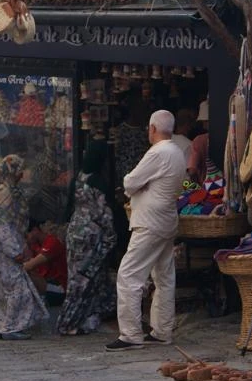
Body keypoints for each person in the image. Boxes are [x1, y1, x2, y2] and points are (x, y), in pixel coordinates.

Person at [107, 110, 184, 352]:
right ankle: (162, 330)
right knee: (164, 277)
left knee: (129, 275)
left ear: (152, 129)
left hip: (149, 222)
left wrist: (141, 185)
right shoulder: (178, 152)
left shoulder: (158, 152)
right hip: (166, 220)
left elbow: (130, 182)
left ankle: (130, 334)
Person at [0, 155, 48, 341]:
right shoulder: (4, 192)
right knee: (16, 287)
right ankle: (10, 327)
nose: (21, 175)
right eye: (19, 171)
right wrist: (16, 251)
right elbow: (4, 225)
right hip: (3, 244)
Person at [58, 143, 117, 336]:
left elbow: (69, 207)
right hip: (93, 235)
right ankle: (71, 321)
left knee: (77, 278)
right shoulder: (98, 182)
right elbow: (104, 213)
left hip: (76, 232)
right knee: (87, 279)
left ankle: (74, 320)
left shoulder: (78, 178)